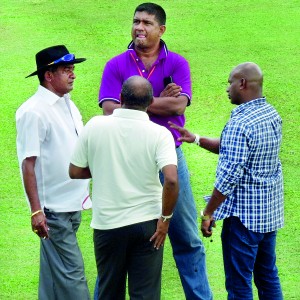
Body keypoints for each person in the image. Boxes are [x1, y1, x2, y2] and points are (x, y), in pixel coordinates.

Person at [97, 3, 212, 299]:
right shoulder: (116, 64)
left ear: (161, 30)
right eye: (136, 21)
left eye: (147, 23)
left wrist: (135, 101)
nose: (139, 27)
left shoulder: (176, 64)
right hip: (130, 161)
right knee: (120, 235)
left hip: (170, 159)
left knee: (187, 238)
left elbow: (178, 105)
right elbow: (109, 110)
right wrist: (157, 99)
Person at [170, 62, 284, 300]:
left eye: (230, 82)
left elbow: (228, 177)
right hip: (268, 216)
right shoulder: (272, 115)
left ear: (242, 83)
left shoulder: (240, 123)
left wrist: (208, 212)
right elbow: (232, 148)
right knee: (267, 277)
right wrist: (196, 139)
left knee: (238, 284)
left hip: (242, 222)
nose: (227, 89)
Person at [69, 75, 179, 300]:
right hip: (148, 224)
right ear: (150, 103)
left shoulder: (95, 125)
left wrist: (103, 168)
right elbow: (172, 180)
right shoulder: (160, 134)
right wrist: (165, 221)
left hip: (108, 225)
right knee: (145, 294)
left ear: (120, 98)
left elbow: (75, 171)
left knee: (109, 291)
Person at [16, 45, 91, 300]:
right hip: (53, 212)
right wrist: (36, 211)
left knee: (53, 275)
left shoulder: (68, 104)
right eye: (66, 70)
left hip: (73, 205)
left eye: (72, 69)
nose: (73, 74)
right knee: (73, 274)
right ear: (49, 75)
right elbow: (28, 163)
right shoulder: (33, 111)